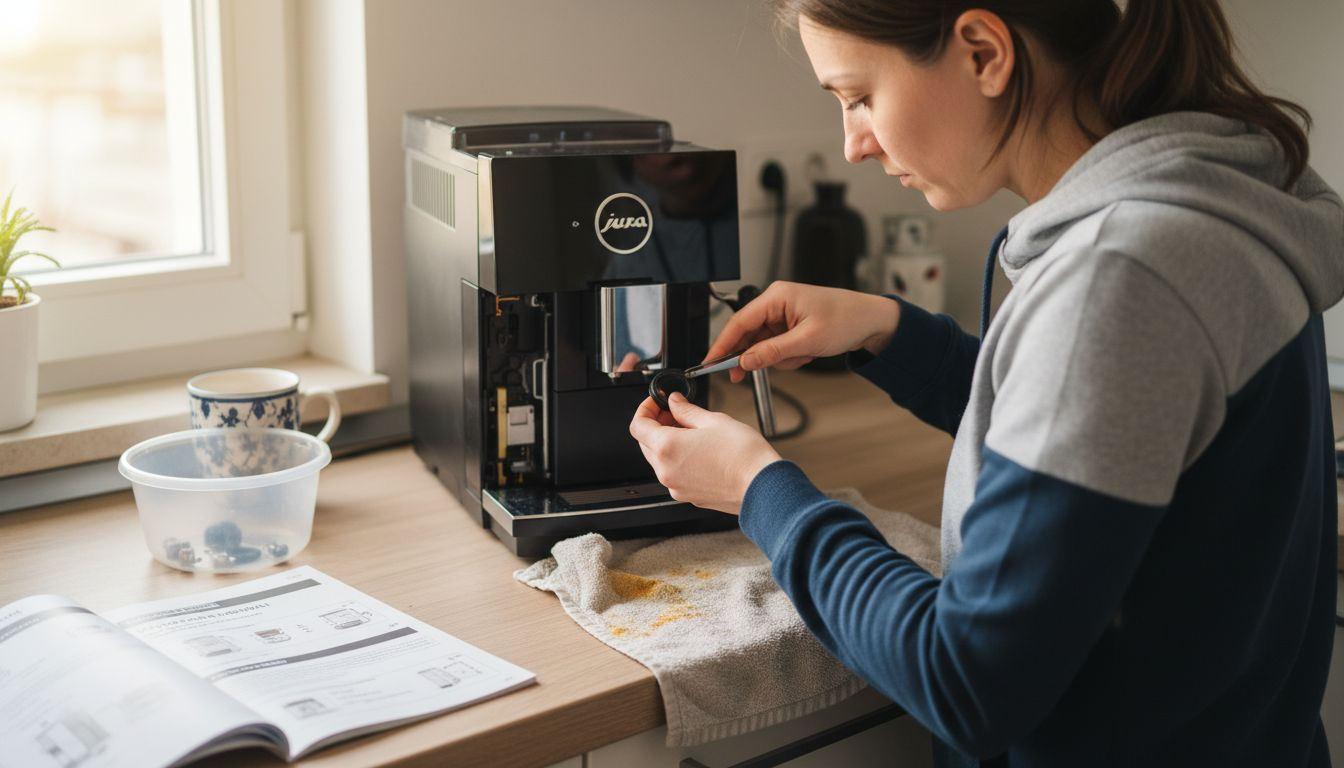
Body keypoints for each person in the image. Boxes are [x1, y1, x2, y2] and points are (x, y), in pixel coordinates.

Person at [627, 1, 1342, 766]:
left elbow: (965, 679)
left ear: (982, 53)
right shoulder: (1218, 201)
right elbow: (1104, 448)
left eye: (860, 97)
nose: (854, 144)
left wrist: (760, 490)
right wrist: (892, 332)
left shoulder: (1122, 275)